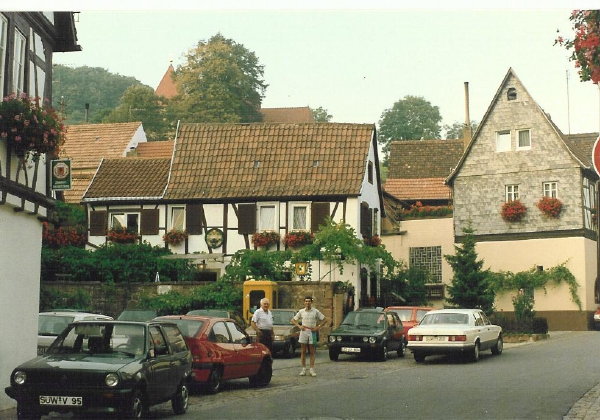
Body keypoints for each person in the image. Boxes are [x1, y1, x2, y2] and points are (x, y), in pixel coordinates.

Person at [291, 296, 327, 377]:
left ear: (311, 302)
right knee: (303, 351)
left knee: (312, 351)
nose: (307, 303)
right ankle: (303, 369)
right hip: (304, 331)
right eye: (306, 301)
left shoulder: (315, 311)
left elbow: (325, 319)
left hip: (312, 332)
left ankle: (312, 369)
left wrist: (318, 327)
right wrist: (299, 326)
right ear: (304, 302)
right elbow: (293, 320)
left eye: (309, 301)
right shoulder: (301, 311)